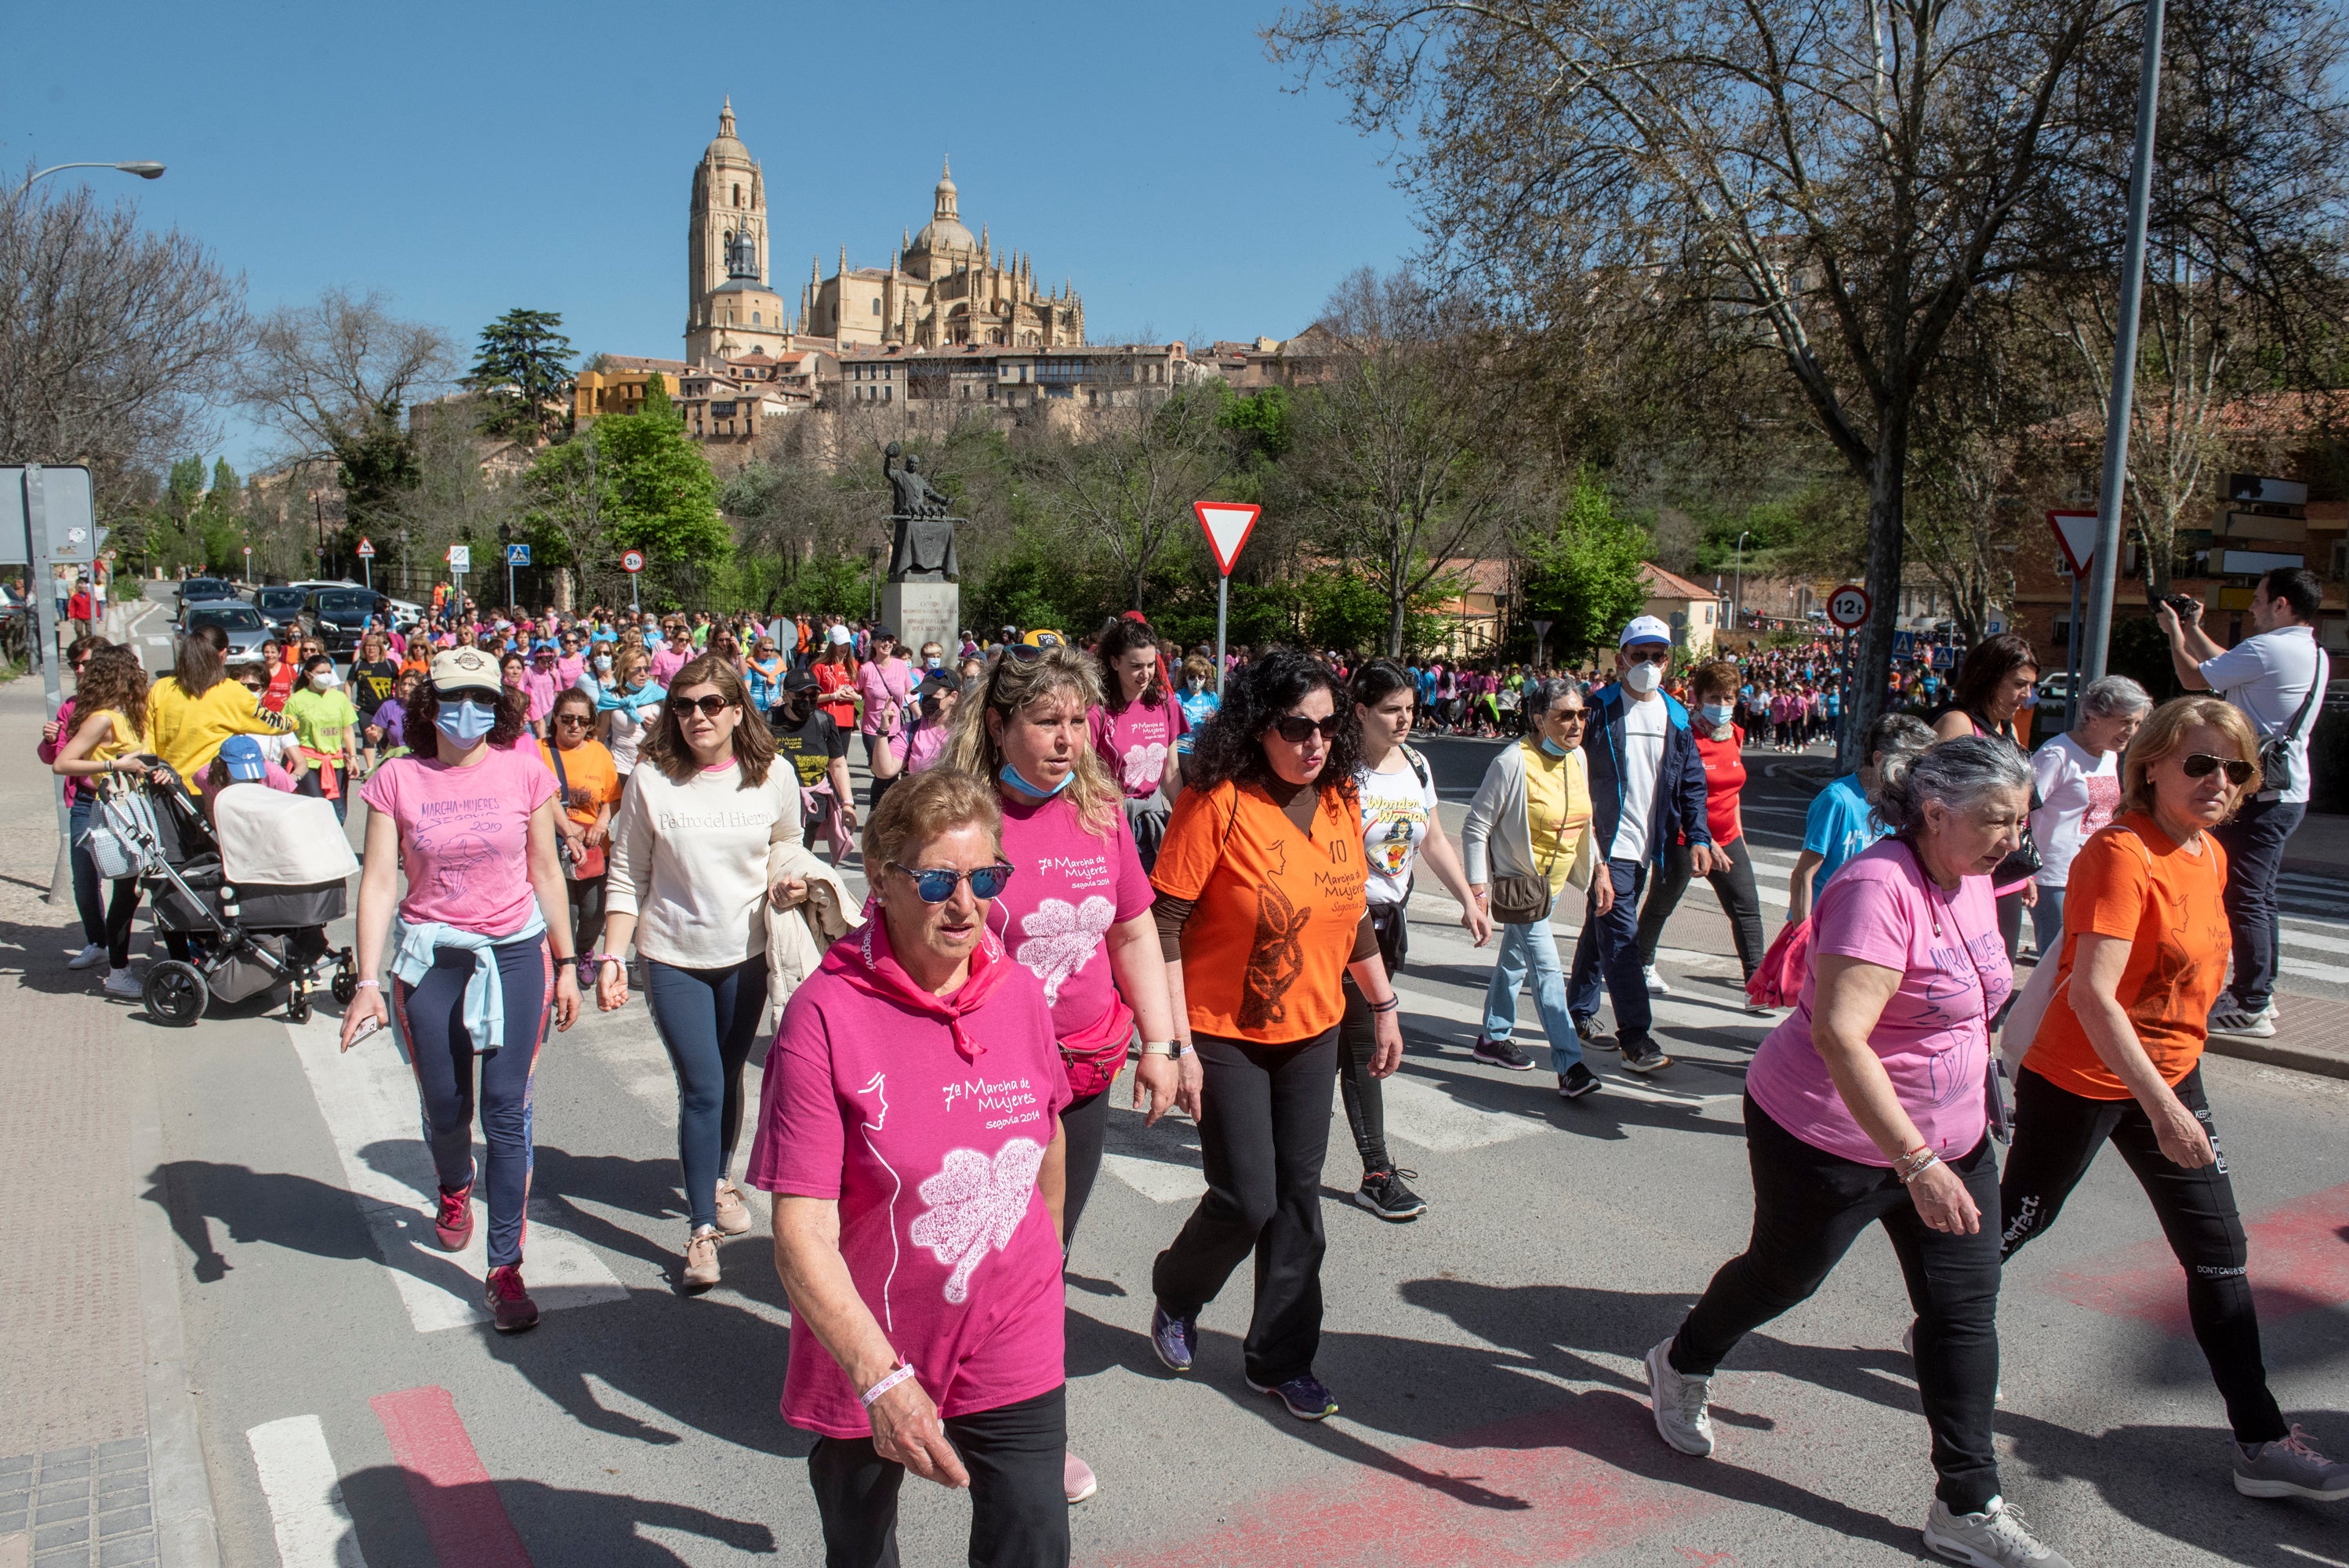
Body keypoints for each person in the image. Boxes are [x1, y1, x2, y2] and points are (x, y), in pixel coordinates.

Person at [1643, 738, 2075, 1568]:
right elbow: (1841, 1036)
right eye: (1997, 819)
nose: (2012, 837)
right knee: (1782, 1276)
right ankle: (1680, 1361)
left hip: (1952, 1141)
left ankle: (1967, 1504)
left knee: (1961, 1312)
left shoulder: (1973, 877)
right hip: (1828, 1133)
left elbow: (1972, 1005)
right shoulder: (1877, 888)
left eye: (2020, 820)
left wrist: (1984, 1096)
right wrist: (1916, 1163)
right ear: (1935, 813)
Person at [1999, 696, 2349, 1504]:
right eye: (2198, 763)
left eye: (2235, 768)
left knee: (2219, 1248)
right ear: (2150, 764)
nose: (2218, 781)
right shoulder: (2120, 853)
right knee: (2018, 1221)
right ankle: (1946, 1316)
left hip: (2167, 1079)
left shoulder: (2207, 853)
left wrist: (2171, 1088)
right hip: (2083, 1078)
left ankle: (2259, 1442)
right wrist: (2163, 1108)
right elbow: (2090, 995)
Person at [755, 768, 1073, 1568]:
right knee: (860, 1540)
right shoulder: (823, 1016)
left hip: (1012, 1319)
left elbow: (1047, 1143)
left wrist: (1041, 1267)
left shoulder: (1018, 993)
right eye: (936, 881)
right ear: (881, 878)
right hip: (873, 1331)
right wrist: (877, 1380)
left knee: (1033, 1538)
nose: (964, 903)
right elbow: (802, 1234)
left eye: (984, 879)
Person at [942, 641, 1189, 1504]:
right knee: (984, 1248)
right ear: (997, 723)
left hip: (1082, 1074)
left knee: (1045, 1254)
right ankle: (955, 1390)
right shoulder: (959, 817)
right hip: (984, 1079)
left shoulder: (1100, 808)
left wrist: (1161, 1044)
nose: (1067, 740)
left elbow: (1132, 929)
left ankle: (1017, 1421)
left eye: (1079, 721)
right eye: (1047, 721)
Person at [1145, 648, 1404, 1421]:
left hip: (1314, 1028)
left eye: (1327, 725)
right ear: (1259, 725)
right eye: (1295, 726)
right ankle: (1177, 1290)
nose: (1314, 742)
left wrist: (1382, 1003)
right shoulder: (1217, 799)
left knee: (1298, 1201)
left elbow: (1349, 910)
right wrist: (1172, 1043)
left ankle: (1282, 1358)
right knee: (1246, 1197)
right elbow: (1164, 922)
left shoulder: (1340, 795)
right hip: (1221, 1030)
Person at [343, 647, 583, 1333]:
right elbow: (379, 882)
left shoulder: (525, 771)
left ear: (499, 707)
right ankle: (454, 1184)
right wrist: (366, 981)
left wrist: (568, 962)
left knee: (506, 1111)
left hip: (514, 954)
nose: (468, 711)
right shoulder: (396, 778)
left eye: (483, 698)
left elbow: (546, 871)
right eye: (454, 697)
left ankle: (504, 1268)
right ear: (431, 705)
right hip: (433, 961)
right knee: (447, 1109)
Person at [597, 655, 802, 1292]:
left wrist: (790, 878)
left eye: (711, 704)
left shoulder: (773, 775)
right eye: (684, 706)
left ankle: (715, 1178)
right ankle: (701, 1230)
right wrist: (612, 957)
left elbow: (788, 842)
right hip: (672, 956)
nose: (697, 717)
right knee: (704, 1086)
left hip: (746, 956)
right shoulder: (651, 780)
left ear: (738, 710)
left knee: (729, 1075)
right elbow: (627, 875)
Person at [2158, 568, 2331, 1039]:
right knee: (2259, 895)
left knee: (2246, 897)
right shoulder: (2311, 651)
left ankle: (2252, 1002)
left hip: (2259, 794)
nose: (2252, 607)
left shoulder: (2270, 648)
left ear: (2281, 604)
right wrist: (2193, 628)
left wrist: (2173, 632)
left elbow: (2193, 677)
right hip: (2286, 791)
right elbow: (2227, 664)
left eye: (2258, 598)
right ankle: (2259, 994)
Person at [1345, 661, 1490, 1215]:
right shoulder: (1341, 768)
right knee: (1363, 1043)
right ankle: (1377, 1171)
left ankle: (1271, 1138)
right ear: (1361, 711)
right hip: (1343, 924)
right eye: (1391, 710)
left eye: (1409, 707)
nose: (1404, 718)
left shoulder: (1417, 764)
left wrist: (1467, 898)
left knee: (1345, 1045)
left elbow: (1432, 841)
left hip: (1389, 924)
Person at [1570, 618, 1719, 1073]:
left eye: (1658, 656)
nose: (1649, 664)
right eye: (1640, 656)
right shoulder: (1597, 710)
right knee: (1622, 936)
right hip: (1604, 845)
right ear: (1621, 660)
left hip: (1645, 846)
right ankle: (1636, 1037)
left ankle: (1578, 1010)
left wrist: (1698, 836)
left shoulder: (1676, 716)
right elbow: (1571, 768)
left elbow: (1691, 782)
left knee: (1602, 924)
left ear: (1668, 662)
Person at [1461, 678, 1611, 1093]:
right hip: (1522, 888)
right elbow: (1475, 826)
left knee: (1514, 961)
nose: (1576, 724)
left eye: (1582, 714)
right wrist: (1477, 890)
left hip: (1555, 885)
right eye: (1565, 716)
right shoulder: (1513, 762)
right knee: (1546, 971)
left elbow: (1584, 821)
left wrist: (1599, 868)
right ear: (1539, 719)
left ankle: (1492, 1038)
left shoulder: (1577, 757)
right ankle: (1570, 1065)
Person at [1634, 660, 1766, 1004]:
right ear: (1697, 697)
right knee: (1662, 904)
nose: (1722, 705)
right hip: (1684, 838)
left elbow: (1733, 794)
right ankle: (1641, 964)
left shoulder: (1735, 734)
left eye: (1728, 698)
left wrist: (1739, 838)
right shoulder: (1684, 736)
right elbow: (1673, 796)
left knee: (1747, 908)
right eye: (1714, 697)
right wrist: (1704, 839)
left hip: (1728, 837)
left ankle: (1757, 985)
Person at [50, 647, 158, 1000]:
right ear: (118, 676)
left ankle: (119, 968)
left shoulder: (125, 713)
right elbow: (62, 763)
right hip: (116, 813)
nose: (139, 677)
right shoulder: (101, 719)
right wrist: (113, 766)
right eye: (132, 671)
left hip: (135, 808)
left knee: (132, 893)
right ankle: (118, 972)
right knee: (124, 894)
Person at [1933, 633, 2043, 962]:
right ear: (1989, 677)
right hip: (1964, 874)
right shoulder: (1957, 724)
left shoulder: (2008, 730)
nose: (2027, 695)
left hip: (2003, 874)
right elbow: (1933, 800)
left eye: (2030, 685)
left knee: (1999, 973)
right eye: (2019, 684)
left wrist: (2024, 870)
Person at [2026, 674, 2149, 957]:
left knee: (2085, 957)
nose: (2131, 731)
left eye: (2137, 723)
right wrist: (2024, 873)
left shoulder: (2109, 755)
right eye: (2125, 721)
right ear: (2093, 716)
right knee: (2059, 959)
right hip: (2055, 875)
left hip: (2095, 871)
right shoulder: (2057, 755)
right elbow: (2021, 810)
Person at [1786, 713, 1937, 927]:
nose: (1915, 774)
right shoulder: (1838, 800)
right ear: (1878, 759)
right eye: (1908, 764)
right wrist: (1803, 936)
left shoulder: (1903, 804)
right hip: (1826, 926)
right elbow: (1803, 875)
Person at [1089, 617, 1187, 870]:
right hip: (1109, 827)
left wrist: (1184, 821)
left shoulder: (1166, 704)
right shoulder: (1096, 712)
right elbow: (1084, 778)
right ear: (1114, 662)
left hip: (1154, 827)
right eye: (1135, 666)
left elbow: (1171, 772)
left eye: (1151, 665)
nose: (1145, 675)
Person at [144, 626, 293, 793]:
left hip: (170, 787)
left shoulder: (161, 688)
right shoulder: (232, 691)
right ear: (222, 653)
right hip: (215, 789)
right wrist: (294, 721)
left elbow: (146, 739)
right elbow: (274, 723)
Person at [41, 636, 113, 971]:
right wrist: (51, 740)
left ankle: (125, 946)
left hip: (121, 799)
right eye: (75, 664)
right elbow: (53, 758)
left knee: (132, 879)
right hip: (86, 800)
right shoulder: (71, 707)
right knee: (83, 879)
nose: (80, 670)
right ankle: (98, 942)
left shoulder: (121, 703)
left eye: (85, 663)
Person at [539, 687, 622, 972]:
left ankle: (584, 951)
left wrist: (601, 823)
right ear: (555, 718)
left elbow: (613, 797)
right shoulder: (538, 750)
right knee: (566, 910)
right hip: (551, 844)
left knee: (593, 912)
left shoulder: (599, 752)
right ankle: (565, 962)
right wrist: (566, 826)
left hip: (591, 845)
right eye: (567, 718)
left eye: (583, 720)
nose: (575, 725)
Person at [772, 668, 858, 864]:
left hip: (813, 805)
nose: (807, 700)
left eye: (813, 695)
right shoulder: (768, 721)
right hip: (778, 804)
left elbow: (837, 764)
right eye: (800, 695)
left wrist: (848, 803)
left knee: (800, 859)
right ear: (786, 695)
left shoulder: (824, 721)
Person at [282, 654, 361, 822]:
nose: (326, 676)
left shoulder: (339, 698)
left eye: (329, 672)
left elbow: (347, 730)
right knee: (316, 808)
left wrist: (353, 757)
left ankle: (333, 838)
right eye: (320, 672)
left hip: (336, 762)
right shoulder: (296, 700)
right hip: (308, 762)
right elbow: (285, 733)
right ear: (308, 674)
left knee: (339, 813)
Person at [854, 626, 913, 813]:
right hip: (873, 729)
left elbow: (908, 692)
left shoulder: (900, 666)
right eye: (882, 640)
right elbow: (856, 691)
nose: (887, 644)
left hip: (896, 728)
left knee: (893, 773)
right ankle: (874, 813)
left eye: (890, 640)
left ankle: (889, 813)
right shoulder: (867, 669)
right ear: (874, 643)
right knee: (881, 772)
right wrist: (854, 697)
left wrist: (919, 715)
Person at [597, 647, 666, 783]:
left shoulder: (658, 695)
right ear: (624, 671)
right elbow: (600, 737)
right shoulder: (611, 698)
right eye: (637, 669)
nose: (643, 674)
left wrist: (658, 729)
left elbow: (672, 730)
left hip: (651, 767)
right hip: (619, 767)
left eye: (646, 669)